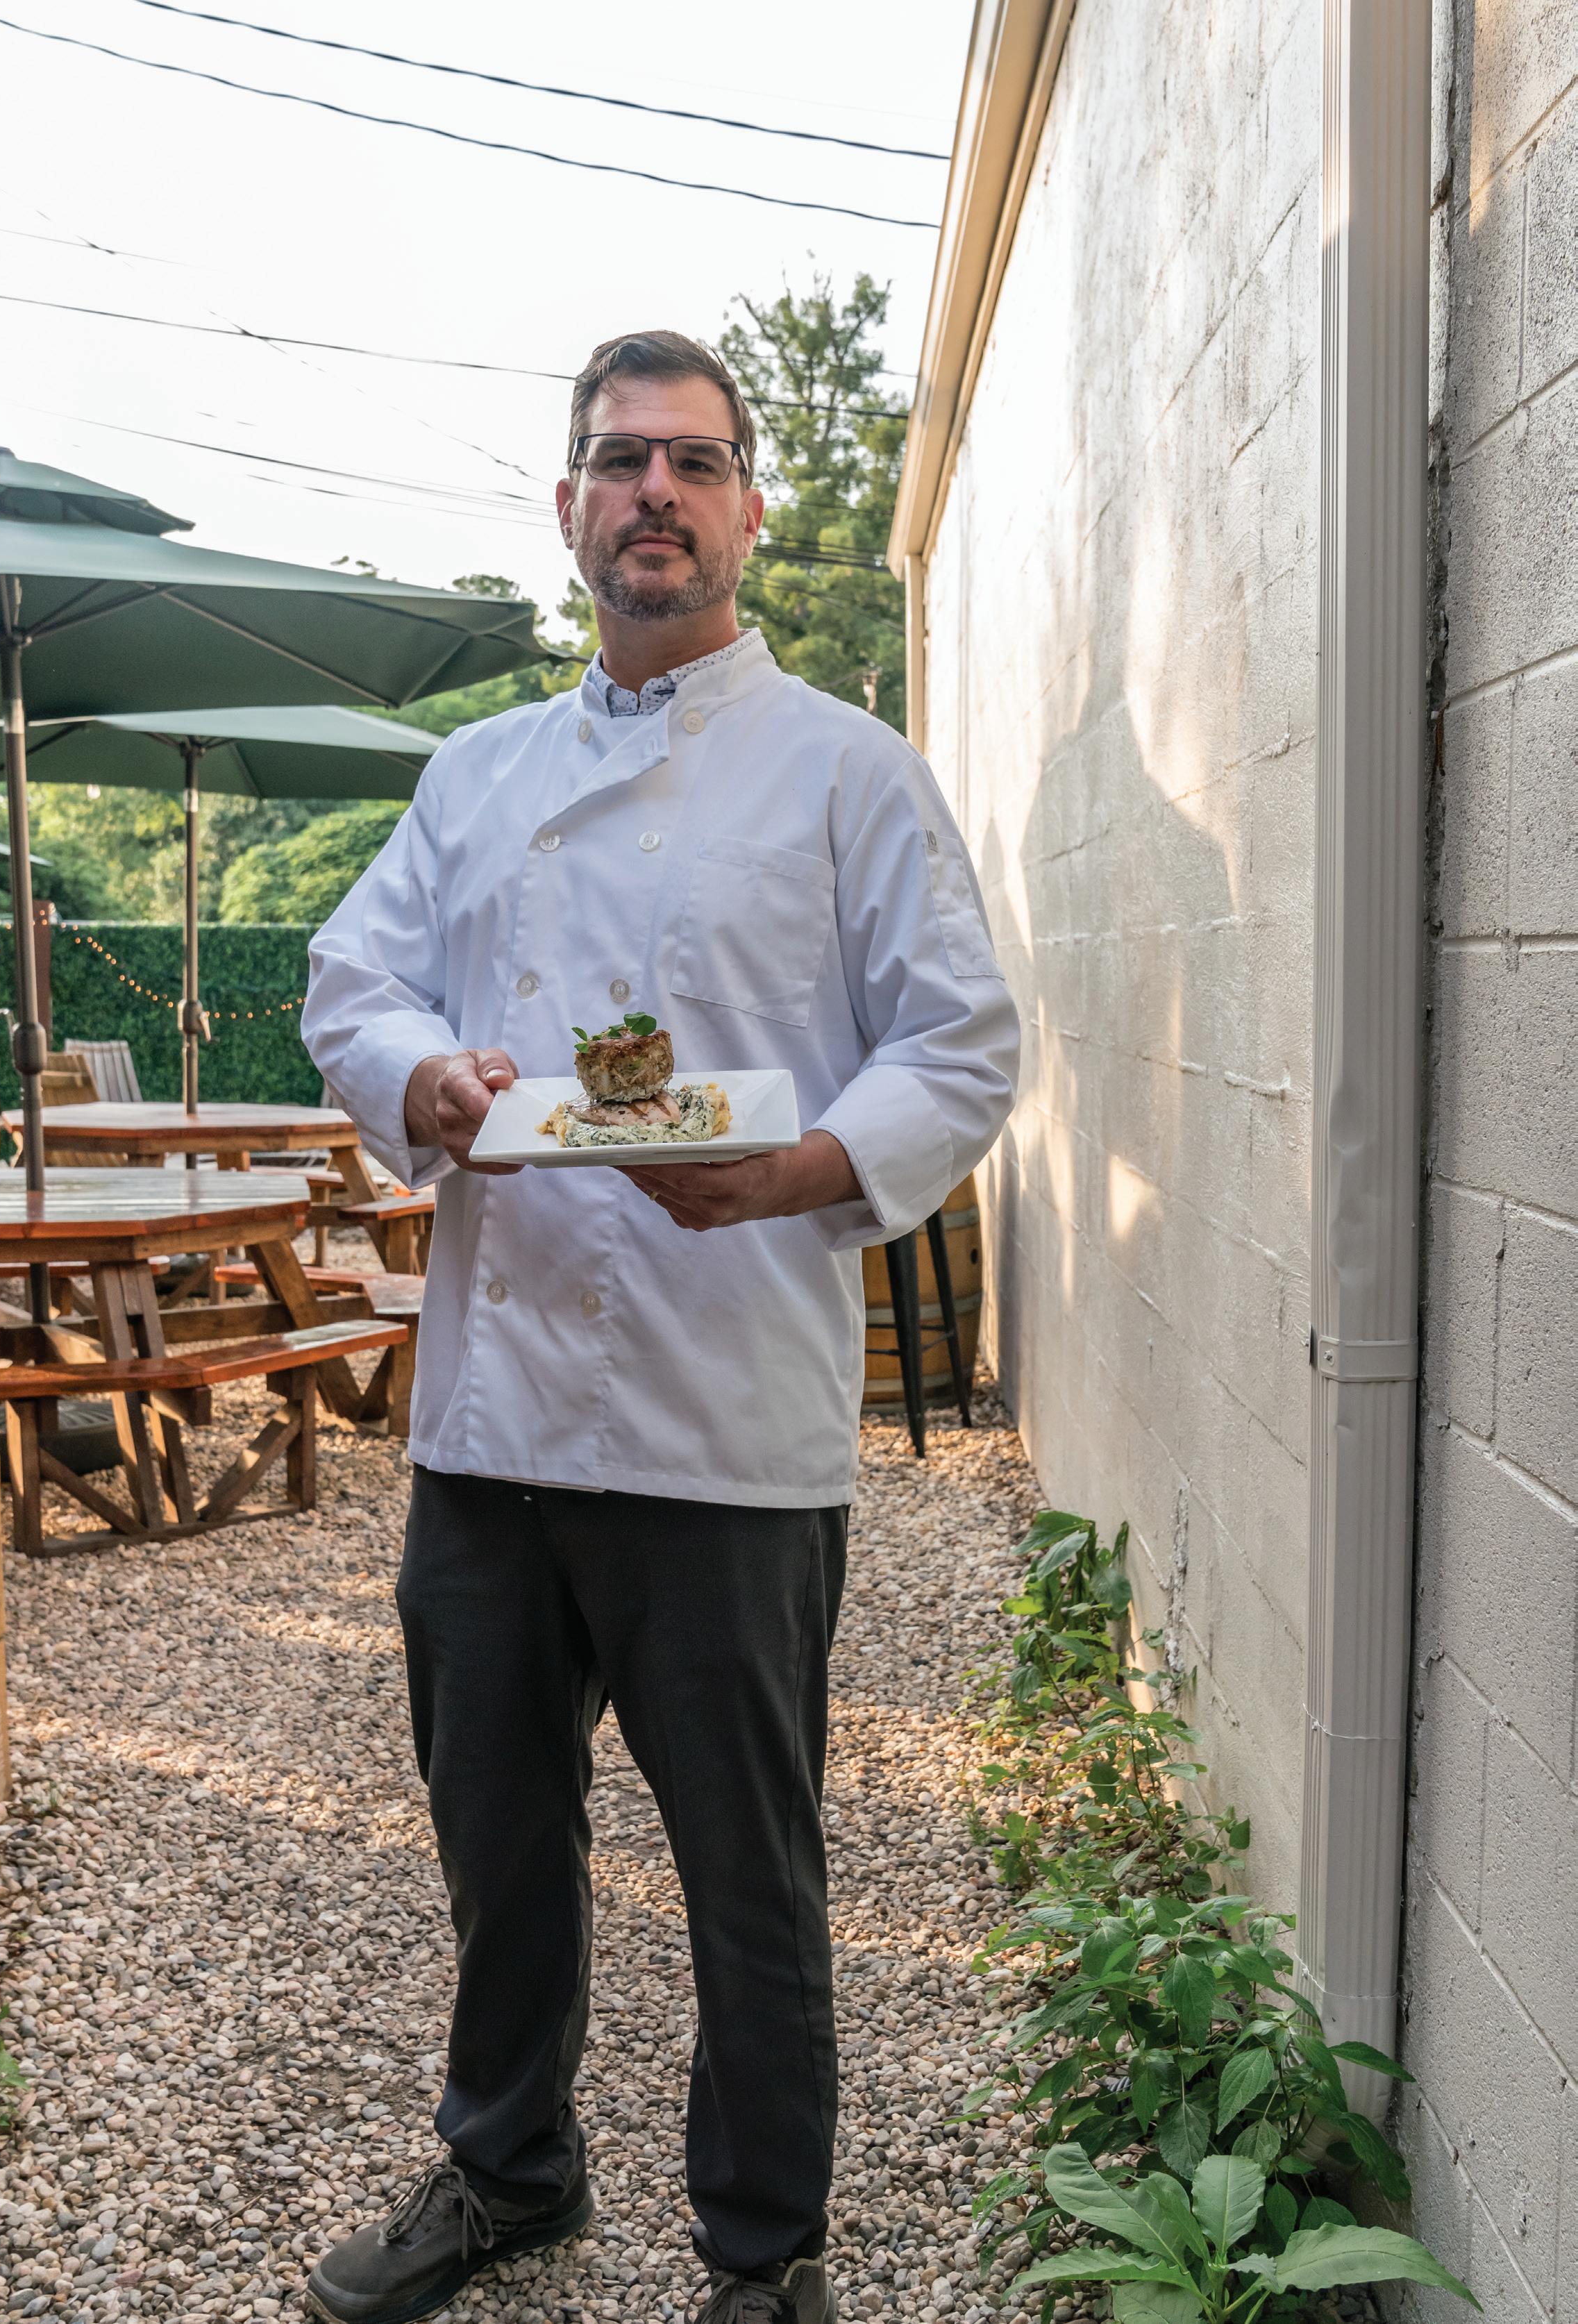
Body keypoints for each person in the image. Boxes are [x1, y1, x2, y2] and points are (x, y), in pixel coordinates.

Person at [300, 330, 1019, 2324]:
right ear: (568, 506)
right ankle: (508, 2170)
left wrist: (796, 1173)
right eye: (622, 462)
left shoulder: (849, 774)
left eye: (695, 464)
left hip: (727, 1422)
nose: (657, 496)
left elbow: (964, 1045)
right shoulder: (478, 775)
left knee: (748, 1875)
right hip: (492, 1421)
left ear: (749, 512)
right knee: (496, 1842)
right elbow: (352, 977)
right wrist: (425, 1075)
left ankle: (764, 2254)